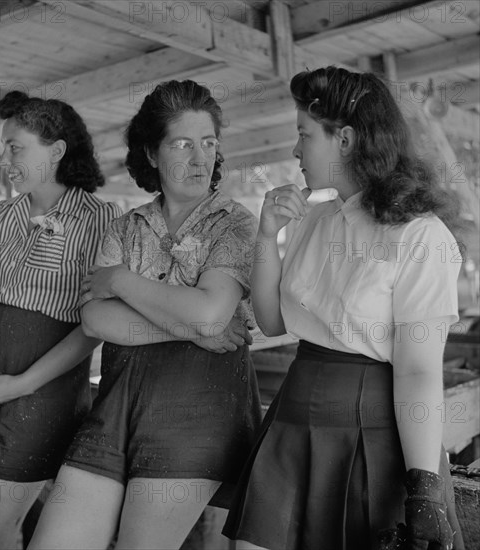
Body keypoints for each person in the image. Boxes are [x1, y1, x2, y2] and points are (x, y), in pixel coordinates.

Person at [223, 67, 465, 550]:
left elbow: (417, 372)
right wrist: (268, 235)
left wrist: (424, 491)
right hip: (295, 408)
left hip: (373, 424)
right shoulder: (315, 217)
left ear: (347, 140)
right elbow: (272, 321)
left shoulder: (420, 235)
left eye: (304, 135)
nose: (295, 150)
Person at [28, 79, 262, 550]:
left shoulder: (234, 222)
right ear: (152, 154)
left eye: (209, 143)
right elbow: (95, 321)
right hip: (117, 404)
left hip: (197, 410)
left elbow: (211, 313)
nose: (200, 159)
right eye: (182, 144)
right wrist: (195, 327)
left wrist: (121, 282)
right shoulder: (125, 225)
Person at [0, 91, 121, 550]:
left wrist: (20, 385)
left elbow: (92, 327)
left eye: (15, 147)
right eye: (3, 148)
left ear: (56, 151)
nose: (4, 160)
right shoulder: (0, 215)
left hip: (40, 397)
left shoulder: (101, 219)